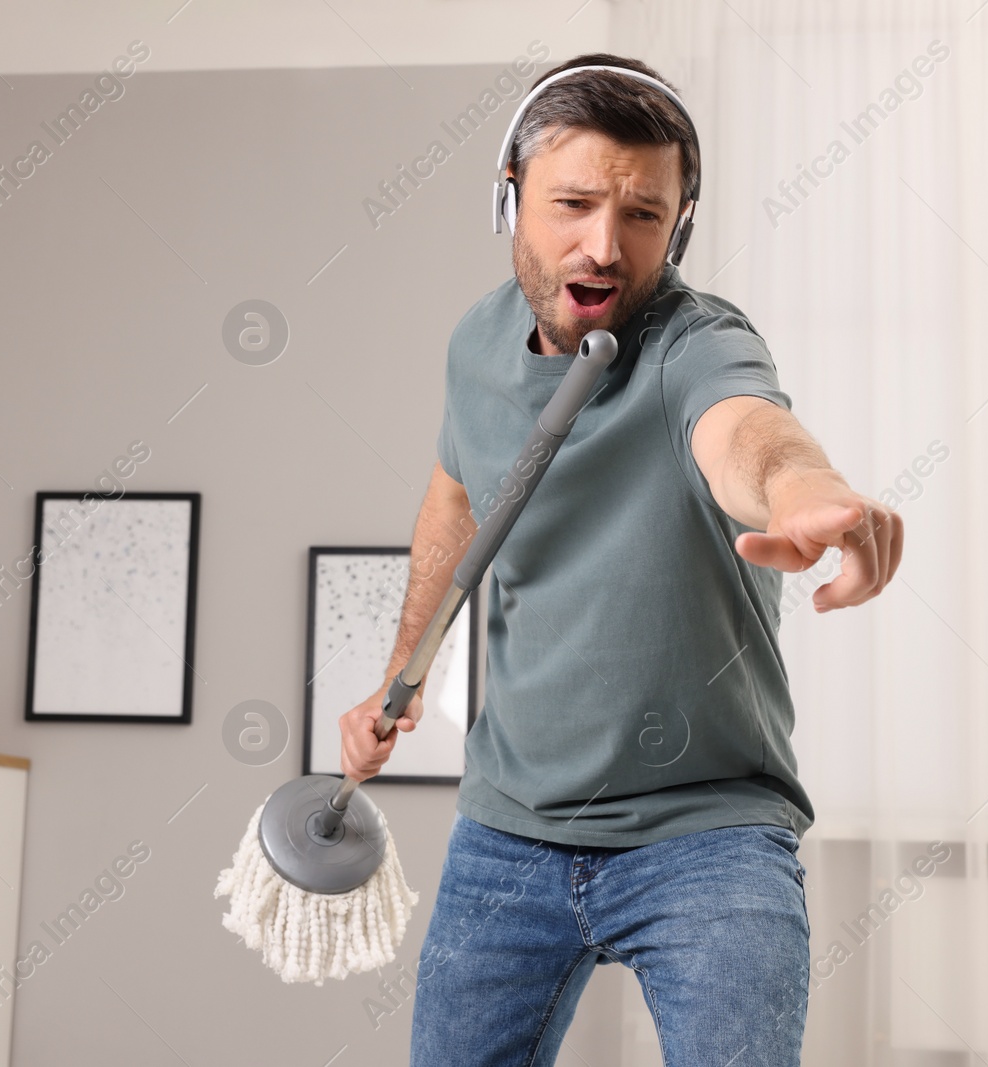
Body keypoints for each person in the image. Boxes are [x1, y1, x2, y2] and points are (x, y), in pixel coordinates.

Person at [338, 53, 902, 1066]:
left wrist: (806, 492)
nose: (604, 245)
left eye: (643, 214)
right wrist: (400, 669)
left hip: (706, 834)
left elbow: (744, 432)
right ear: (506, 197)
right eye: (574, 203)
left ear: (679, 226)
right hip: (508, 828)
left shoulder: (696, 339)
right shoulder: (475, 342)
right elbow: (454, 496)